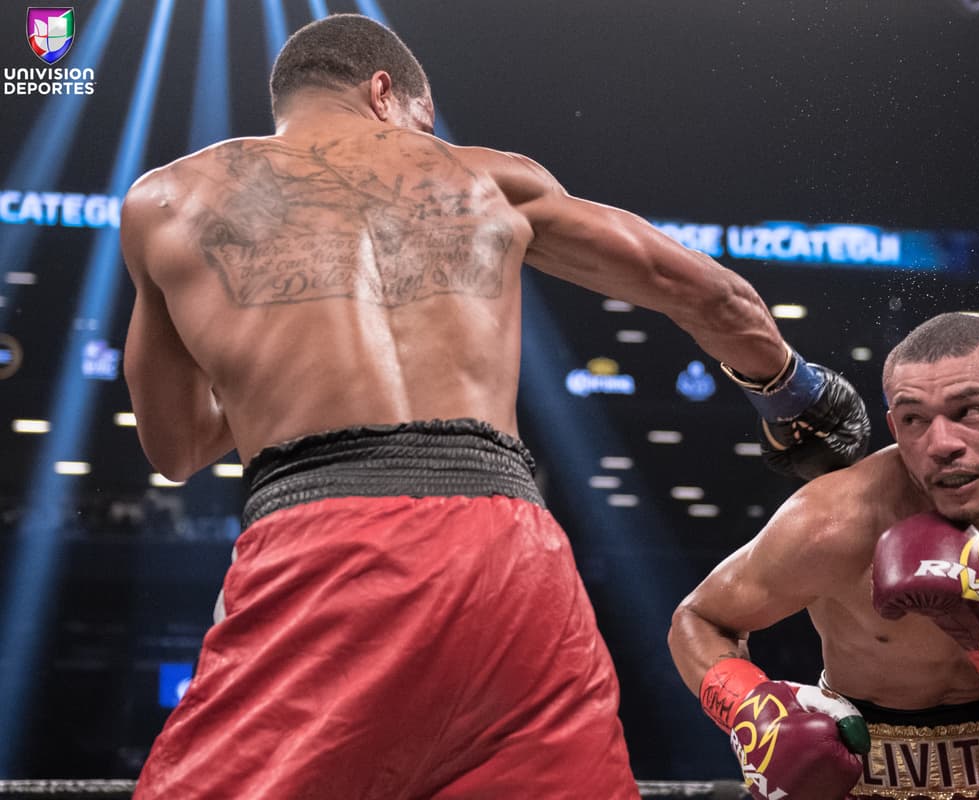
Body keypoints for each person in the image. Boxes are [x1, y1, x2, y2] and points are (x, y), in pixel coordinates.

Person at [119, 13, 873, 800]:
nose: (424, 138)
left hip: (324, 547)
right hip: (510, 553)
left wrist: (276, 366)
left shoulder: (168, 201)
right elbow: (712, 297)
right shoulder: (486, 178)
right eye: (424, 118)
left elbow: (171, 447)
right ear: (386, 92)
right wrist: (798, 394)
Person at [668, 312, 979, 800]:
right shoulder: (833, 522)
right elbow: (698, 618)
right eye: (915, 419)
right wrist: (752, 711)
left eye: (969, 411)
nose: (941, 445)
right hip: (866, 779)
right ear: (894, 427)